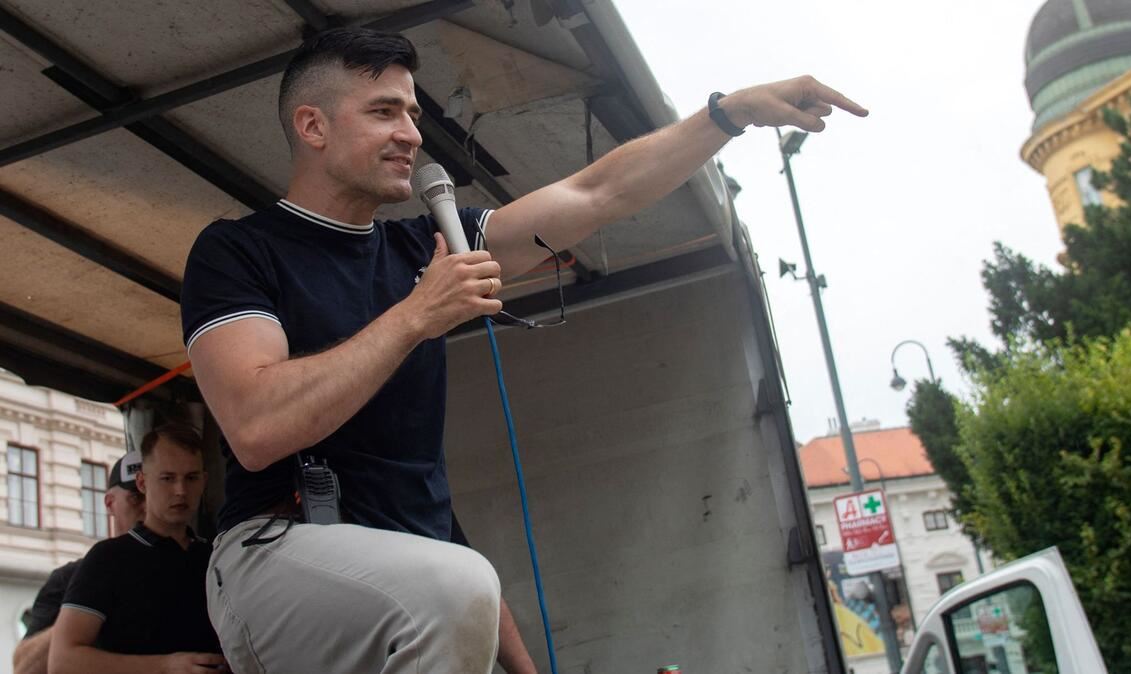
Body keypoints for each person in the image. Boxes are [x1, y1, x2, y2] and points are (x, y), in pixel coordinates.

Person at [181, 27, 866, 674]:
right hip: (271, 560)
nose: (412, 135)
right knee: (454, 586)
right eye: (385, 111)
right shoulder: (239, 252)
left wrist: (728, 115)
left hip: (414, 570)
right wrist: (416, 314)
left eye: (413, 114)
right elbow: (257, 428)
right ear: (314, 126)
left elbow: (596, 192)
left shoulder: (427, 247)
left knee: (458, 586)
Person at [48, 425, 226, 674]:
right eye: (167, 478)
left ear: (204, 481)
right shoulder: (107, 558)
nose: (180, 491)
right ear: (142, 482)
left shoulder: (216, 557)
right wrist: (165, 666)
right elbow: (63, 662)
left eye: (191, 478)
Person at [12, 452, 146, 674]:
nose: (147, 507)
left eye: (153, 493)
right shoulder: (72, 577)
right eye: (136, 497)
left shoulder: (191, 565)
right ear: (110, 503)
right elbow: (25, 668)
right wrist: (81, 616)